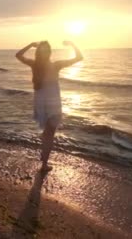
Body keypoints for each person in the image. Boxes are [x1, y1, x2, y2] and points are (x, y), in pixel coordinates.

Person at [15, 40, 83, 171]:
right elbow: (79, 57)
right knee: (49, 134)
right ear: (50, 52)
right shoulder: (56, 65)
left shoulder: (35, 64)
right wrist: (73, 44)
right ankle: (44, 163)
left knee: (47, 133)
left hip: (40, 101)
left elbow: (18, 55)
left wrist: (30, 45)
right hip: (52, 103)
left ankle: (44, 158)